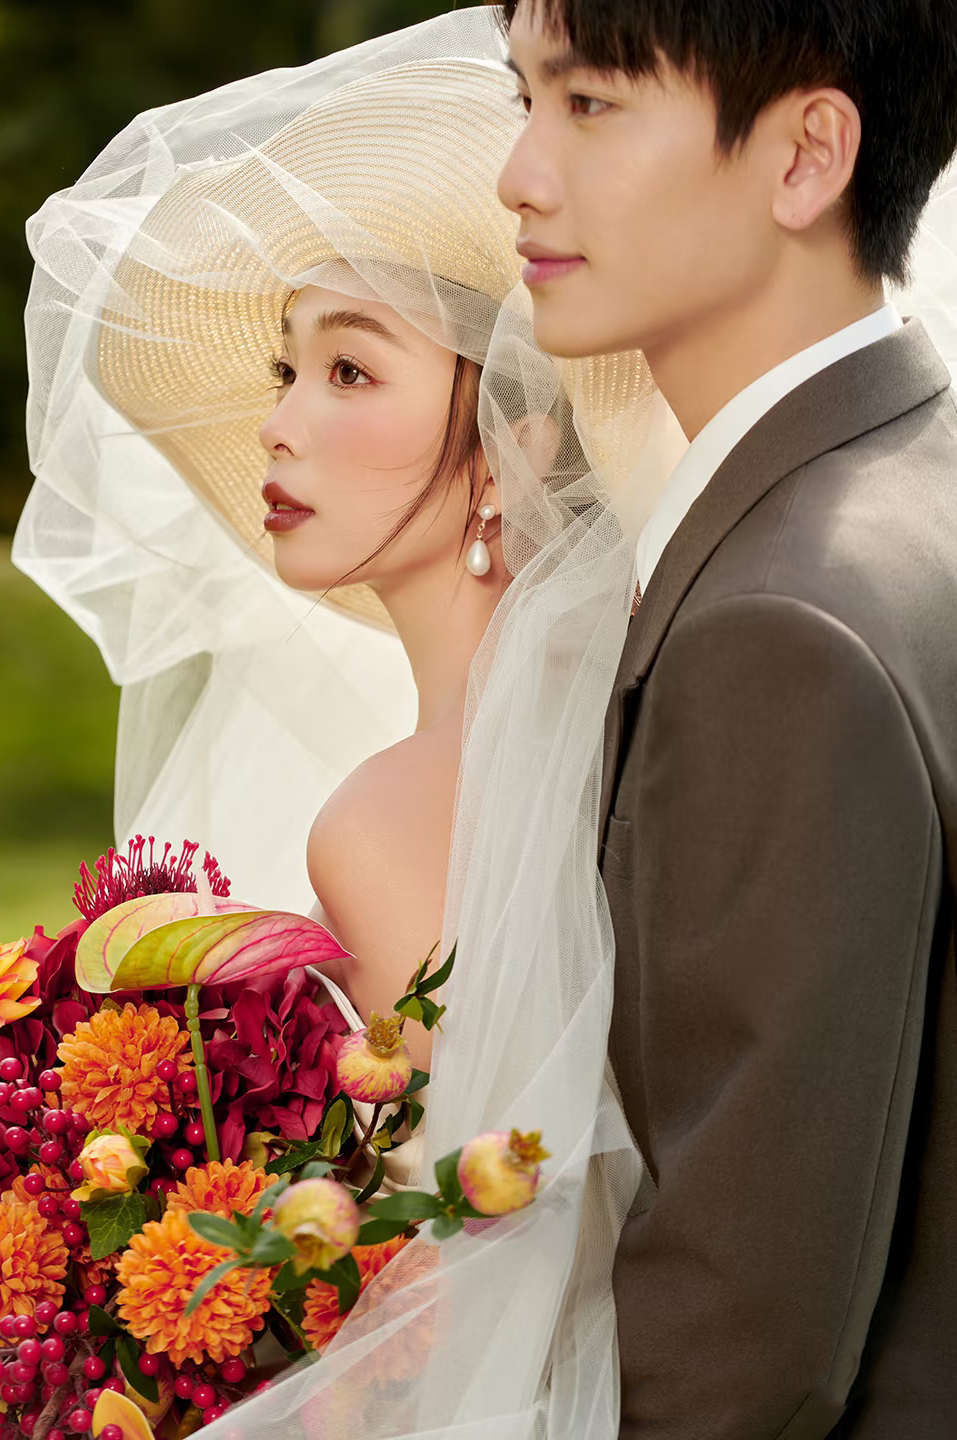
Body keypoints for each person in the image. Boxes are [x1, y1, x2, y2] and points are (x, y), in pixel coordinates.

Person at [15, 18, 679, 1439]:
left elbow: (437, 1286)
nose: (279, 424)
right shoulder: (622, 714)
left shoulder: (391, 816)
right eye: (286, 370)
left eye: (353, 372)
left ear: (519, 435)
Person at [499, 0, 957, 1435]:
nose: (518, 175)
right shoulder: (916, 480)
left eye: (589, 104)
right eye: (522, 101)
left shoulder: (783, 626)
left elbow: (743, 1345)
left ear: (807, 154)